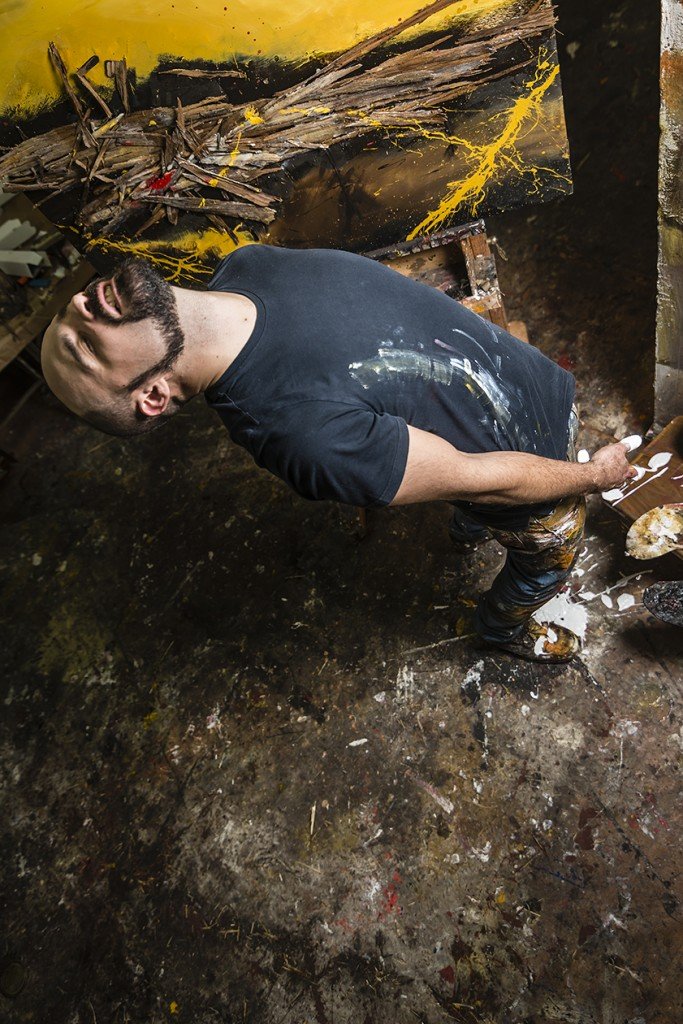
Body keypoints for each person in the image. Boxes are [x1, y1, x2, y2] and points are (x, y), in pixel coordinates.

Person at [40, 244, 636, 662]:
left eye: (72, 311)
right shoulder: (302, 438)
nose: (84, 306)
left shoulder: (243, 268)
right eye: (87, 346)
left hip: (521, 390)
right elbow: (482, 477)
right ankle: (501, 629)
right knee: (546, 554)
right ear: (151, 395)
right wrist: (590, 475)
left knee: (458, 487)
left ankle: (468, 525)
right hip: (525, 478)